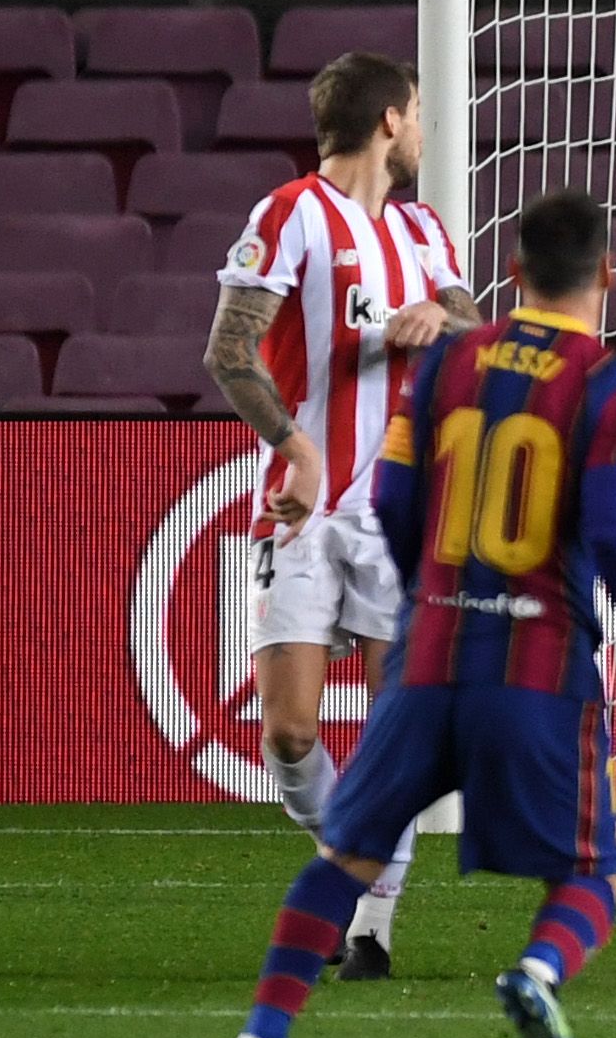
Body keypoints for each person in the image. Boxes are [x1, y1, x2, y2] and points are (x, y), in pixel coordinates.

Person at [216, 190, 616, 1038]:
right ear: (608, 275)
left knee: (342, 860)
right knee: (589, 872)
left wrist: (433, 600)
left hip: (431, 655)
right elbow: (613, 536)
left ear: (514, 273)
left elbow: (398, 505)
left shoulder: (444, 365)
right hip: (537, 669)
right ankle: (533, 975)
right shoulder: (612, 389)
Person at [202, 49, 476, 980]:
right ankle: (370, 867)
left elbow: (478, 335)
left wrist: (441, 321)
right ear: (392, 121)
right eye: (422, 115)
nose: (425, 132)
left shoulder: (424, 230)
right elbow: (228, 350)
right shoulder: (288, 214)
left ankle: (370, 932)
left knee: (396, 732)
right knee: (288, 732)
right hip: (305, 508)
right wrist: (301, 448)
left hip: (402, 515)